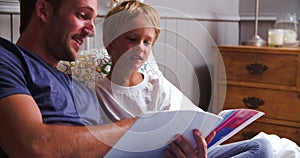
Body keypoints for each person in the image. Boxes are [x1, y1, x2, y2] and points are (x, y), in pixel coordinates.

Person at [0, 0, 216, 157]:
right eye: (83, 15)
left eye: (94, 20)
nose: (92, 31)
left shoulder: (80, 88)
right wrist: (143, 126)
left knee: (250, 149)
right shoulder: (7, 60)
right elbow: (33, 145)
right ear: (43, 10)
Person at [98, 1, 274, 158]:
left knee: (261, 146)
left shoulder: (158, 87)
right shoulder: (96, 93)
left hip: (184, 153)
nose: (140, 48)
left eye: (147, 42)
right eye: (132, 39)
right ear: (109, 41)